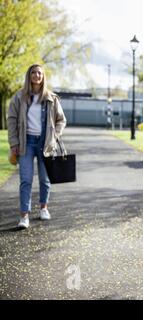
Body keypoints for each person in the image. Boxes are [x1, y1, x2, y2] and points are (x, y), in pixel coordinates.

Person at [7, 64, 67, 229]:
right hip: (26, 143)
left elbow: (61, 120)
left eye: (39, 73)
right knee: (25, 180)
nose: (36, 75)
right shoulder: (19, 97)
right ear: (29, 75)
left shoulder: (51, 98)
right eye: (33, 72)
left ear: (43, 76)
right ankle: (24, 216)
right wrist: (14, 143)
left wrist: (54, 136)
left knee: (44, 179)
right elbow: (11, 120)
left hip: (45, 143)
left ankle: (43, 208)